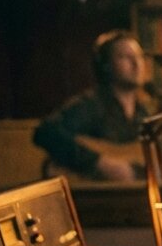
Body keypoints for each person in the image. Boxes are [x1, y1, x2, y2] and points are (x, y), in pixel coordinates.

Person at [33, 29, 151, 181]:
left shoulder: (144, 112)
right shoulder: (91, 105)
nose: (136, 64)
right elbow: (45, 132)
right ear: (106, 65)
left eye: (139, 57)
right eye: (125, 57)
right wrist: (97, 162)